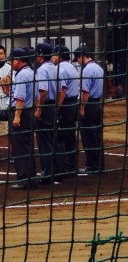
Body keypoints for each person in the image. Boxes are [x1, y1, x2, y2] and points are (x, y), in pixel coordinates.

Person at [6, 48, 37, 189]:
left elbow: (20, 98)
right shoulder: (31, 72)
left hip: (22, 114)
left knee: (20, 148)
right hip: (29, 113)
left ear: (17, 60)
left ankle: (24, 180)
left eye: (11, 60)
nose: (10, 63)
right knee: (28, 147)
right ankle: (31, 179)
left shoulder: (21, 75)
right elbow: (35, 97)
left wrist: (17, 116)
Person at [33, 43, 61, 184]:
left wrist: (39, 109)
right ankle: (58, 173)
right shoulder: (56, 68)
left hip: (44, 107)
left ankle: (47, 175)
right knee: (53, 140)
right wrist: (56, 107)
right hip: (52, 107)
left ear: (41, 54)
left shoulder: (42, 70)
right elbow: (62, 90)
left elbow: (43, 91)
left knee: (45, 143)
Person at [76, 45, 104, 174]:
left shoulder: (87, 70)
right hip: (97, 104)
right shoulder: (99, 68)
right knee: (97, 136)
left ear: (82, 56)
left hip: (89, 105)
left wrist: (82, 108)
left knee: (89, 137)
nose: (78, 61)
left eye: (78, 58)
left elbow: (85, 92)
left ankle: (92, 166)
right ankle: (99, 164)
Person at [53, 46, 79, 179]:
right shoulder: (72, 68)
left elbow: (62, 91)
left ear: (58, 56)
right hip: (73, 104)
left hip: (65, 104)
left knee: (61, 136)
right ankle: (72, 168)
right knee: (70, 136)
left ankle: (64, 169)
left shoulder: (60, 69)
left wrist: (57, 107)